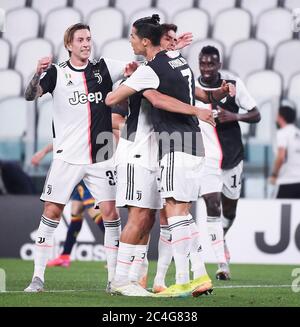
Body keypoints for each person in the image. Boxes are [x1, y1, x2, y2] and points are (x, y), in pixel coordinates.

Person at [106, 15, 216, 298]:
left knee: (154, 218)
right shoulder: (156, 68)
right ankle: (122, 280)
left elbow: (158, 92)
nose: (130, 41)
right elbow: (112, 101)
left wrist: (143, 75)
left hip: (162, 150)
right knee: (142, 216)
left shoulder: (154, 68)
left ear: (145, 41)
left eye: (132, 37)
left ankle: (140, 278)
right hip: (136, 150)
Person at [24, 23, 137, 292]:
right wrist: (35, 74)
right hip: (67, 157)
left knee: (110, 214)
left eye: (89, 38)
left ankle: (113, 280)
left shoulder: (105, 67)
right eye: (80, 40)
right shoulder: (56, 73)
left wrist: (135, 69)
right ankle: (38, 277)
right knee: (51, 211)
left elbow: (136, 67)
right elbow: (30, 96)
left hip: (101, 157)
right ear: (69, 45)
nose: (87, 43)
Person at [195, 46, 260, 279]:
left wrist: (235, 116)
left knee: (229, 211)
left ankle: (221, 234)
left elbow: (256, 114)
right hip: (207, 159)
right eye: (203, 64)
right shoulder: (193, 88)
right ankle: (222, 264)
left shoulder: (233, 85)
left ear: (219, 65)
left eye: (211, 64)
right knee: (213, 206)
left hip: (232, 159)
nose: (206, 68)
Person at [30, 144, 104, 268]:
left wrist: (42, 151)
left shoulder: (87, 127)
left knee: (96, 213)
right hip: (75, 171)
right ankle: (65, 256)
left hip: (86, 169)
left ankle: (118, 254)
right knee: (76, 213)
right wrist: (43, 151)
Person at [269, 105, 300, 198]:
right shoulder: (298, 133)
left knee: (279, 211)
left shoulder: (282, 133)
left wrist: (274, 175)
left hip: (287, 181)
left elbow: (281, 157)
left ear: (281, 117)